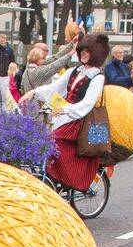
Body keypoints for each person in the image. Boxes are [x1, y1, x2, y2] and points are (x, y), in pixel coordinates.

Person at [31, 30, 111, 186]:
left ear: (96, 54)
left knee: (56, 142)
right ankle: (51, 180)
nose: (83, 54)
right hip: (63, 118)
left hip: (79, 121)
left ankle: (65, 181)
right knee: (42, 140)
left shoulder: (97, 77)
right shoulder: (74, 71)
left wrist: (66, 109)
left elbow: (88, 103)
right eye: (82, 50)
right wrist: (34, 92)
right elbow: (54, 88)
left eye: (88, 51)